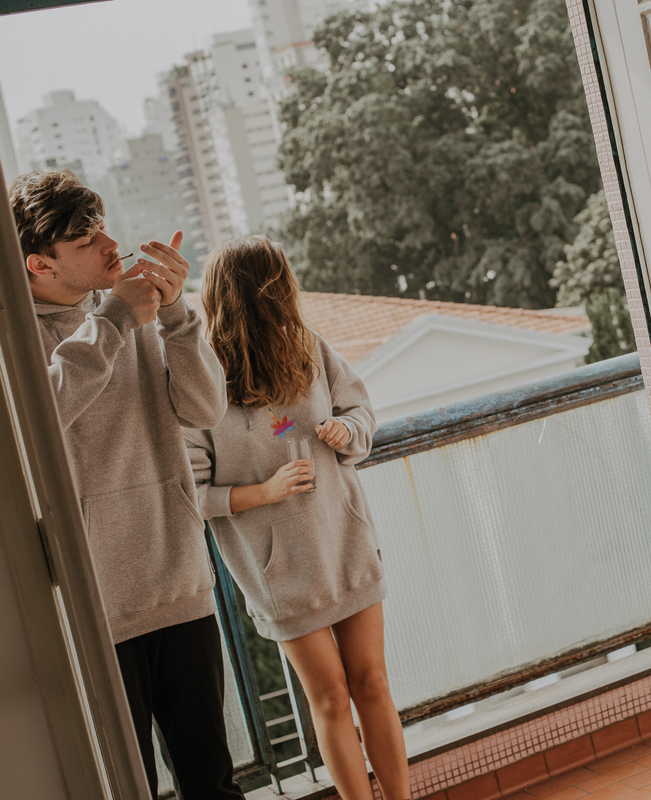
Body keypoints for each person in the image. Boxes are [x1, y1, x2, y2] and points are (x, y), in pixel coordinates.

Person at [9, 169, 242, 799]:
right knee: (125, 787)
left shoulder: (135, 311)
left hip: (179, 581)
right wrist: (111, 322)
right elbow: (38, 422)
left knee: (213, 783)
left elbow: (204, 410)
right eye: (85, 240)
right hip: (94, 607)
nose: (111, 244)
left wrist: (177, 316)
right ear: (40, 263)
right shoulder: (10, 339)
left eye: (104, 225)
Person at [184, 236, 409, 800]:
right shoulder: (200, 380)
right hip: (279, 570)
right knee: (331, 698)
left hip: (344, 543)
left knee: (373, 684)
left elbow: (358, 411)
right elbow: (191, 491)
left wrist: (346, 429)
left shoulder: (307, 348)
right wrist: (262, 492)